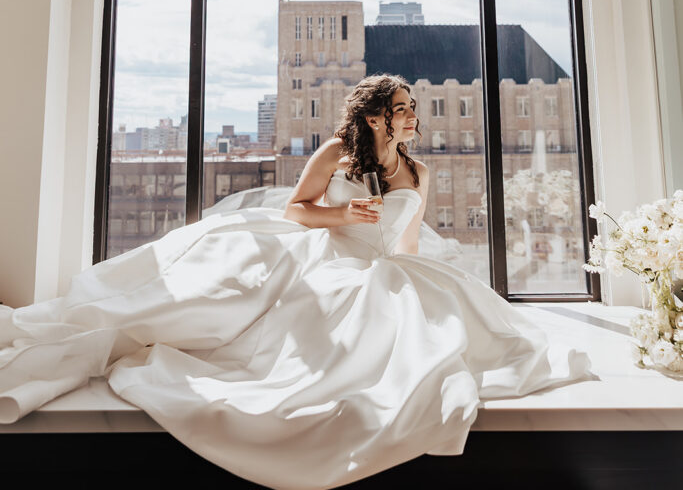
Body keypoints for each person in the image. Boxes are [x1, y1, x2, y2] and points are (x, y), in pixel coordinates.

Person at [0, 74, 592, 489]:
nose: (415, 114)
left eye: (413, 106)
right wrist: (345, 216)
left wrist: (414, 274)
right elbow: (297, 209)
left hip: (384, 265)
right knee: (292, 319)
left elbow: (407, 236)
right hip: (329, 251)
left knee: (434, 336)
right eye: (405, 106)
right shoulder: (338, 150)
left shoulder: (419, 169)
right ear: (376, 114)